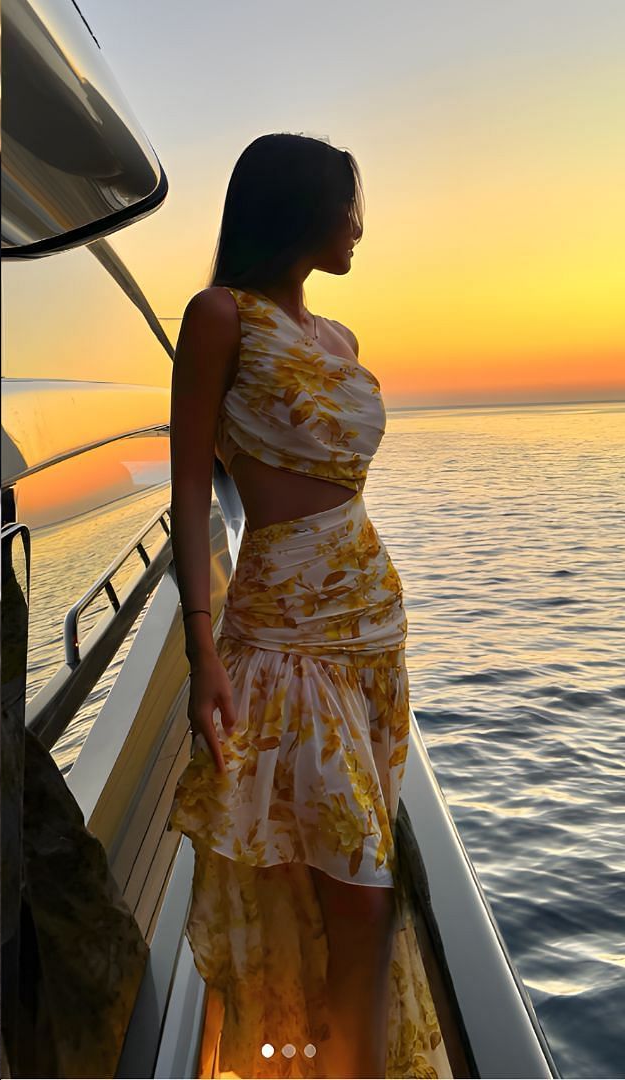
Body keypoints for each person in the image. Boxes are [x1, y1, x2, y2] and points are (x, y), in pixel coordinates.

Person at [166, 133, 440, 1077]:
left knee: (354, 879)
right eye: (346, 205)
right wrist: (202, 650)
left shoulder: (342, 339)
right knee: (357, 887)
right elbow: (191, 495)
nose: (359, 225)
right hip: (280, 643)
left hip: (373, 638)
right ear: (298, 211)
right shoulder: (218, 319)